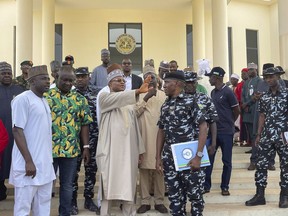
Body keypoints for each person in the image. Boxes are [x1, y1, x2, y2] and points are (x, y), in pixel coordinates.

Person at [96, 63, 149, 216]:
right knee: (108, 187)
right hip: (110, 152)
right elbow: (115, 100)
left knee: (128, 186)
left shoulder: (129, 102)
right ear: (109, 83)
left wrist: (140, 150)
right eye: (118, 80)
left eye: (123, 81)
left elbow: (135, 127)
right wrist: (137, 91)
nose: (122, 82)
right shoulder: (104, 97)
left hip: (128, 153)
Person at [155, 71, 208, 216]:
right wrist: (158, 157)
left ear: (177, 84)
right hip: (170, 159)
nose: (164, 86)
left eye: (167, 83)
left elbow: (203, 127)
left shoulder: (191, 102)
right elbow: (161, 130)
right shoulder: (165, 105)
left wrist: (198, 156)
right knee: (175, 198)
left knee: (195, 197)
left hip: (190, 157)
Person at [45, 65, 93, 216]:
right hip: (48, 149)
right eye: (64, 79)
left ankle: (64, 213)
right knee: (46, 185)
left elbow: (85, 123)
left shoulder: (79, 99)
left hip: (71, 150)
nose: (68, 83)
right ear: (57, 78)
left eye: (71, 80)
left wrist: (85, 146)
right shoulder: (46, 96)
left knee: (67, 185)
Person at [9, 65, 56, 215]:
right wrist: (28, 161)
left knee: (43, 206)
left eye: (48, 78)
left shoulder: (44, 101)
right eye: (44, 78)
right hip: (28, 166)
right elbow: (17, 130)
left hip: (44, 166)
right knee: (23, 208)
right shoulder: (22, 100)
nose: (48, 81)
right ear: (32, 81)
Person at [245, 67, 288, 208]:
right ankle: (260, 195)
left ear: (278, 77)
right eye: (266, 77)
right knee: (261, 165)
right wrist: (258, 134)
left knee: (286, 166)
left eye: (271, 77)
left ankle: (284, 196)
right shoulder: (264, 96)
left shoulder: (286, 94)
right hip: (267, 135)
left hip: (284, 136)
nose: (269, 80)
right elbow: (262, 115)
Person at [135, 66, 168, 214]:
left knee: (159, 169)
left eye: (152, 77)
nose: (150, 79)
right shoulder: (138, 95)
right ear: (144, 80)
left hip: (160, 138)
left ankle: (160, 201)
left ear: (157, 79)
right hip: (143, 137)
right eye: (147, 77)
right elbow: (134, 113)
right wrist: (146, 97)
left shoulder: (164, 95)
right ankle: (145, 201)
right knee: (143, 171)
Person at [204, 67, 240, 196]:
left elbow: (237, 110)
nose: (209, 79)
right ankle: (206, 185)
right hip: (212, 132)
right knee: (208, 159)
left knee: (227, 161)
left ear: (217, 78)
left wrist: (230, 122)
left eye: (211, 77)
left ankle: (225, 186)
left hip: (226, 132)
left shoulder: (228, 92)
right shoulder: (213, 93)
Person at [71, 67, 100, 215]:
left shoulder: (96, 94)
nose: (80, 79)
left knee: (91, 171)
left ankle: (89, 199)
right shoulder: (70, 95)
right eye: (78, 77)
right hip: (74, 140)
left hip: (94, 138)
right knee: (73, 172)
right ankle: (73, 202)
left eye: (83, 76)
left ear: (89, 77)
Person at [0, 61, 24, 201]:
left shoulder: (20, 90)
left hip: (17, 135)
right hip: (1, 135)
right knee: (2, 161)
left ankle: (20, 191)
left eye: (9, 73)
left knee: (17, 162)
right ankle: (1, 190)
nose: (7, 76)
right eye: (3, 73)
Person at [184, 71, 218, 164]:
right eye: (187, 82)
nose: (190, 85)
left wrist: (213, 143)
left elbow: (212, 120)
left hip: (201, 141)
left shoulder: (204, 98)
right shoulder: (177, 99)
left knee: (203, 172)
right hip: (183, 143)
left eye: (192, 82)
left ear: (196, 83)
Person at [241, 63, 261, 149]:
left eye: (251, 69)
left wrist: (247, 104)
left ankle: (256, 154)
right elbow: (243, 95)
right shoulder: (246, 82)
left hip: (254, 110)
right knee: (250, 134)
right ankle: (254, 151)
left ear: (256, 70)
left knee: (256, 133)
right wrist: (244, 104)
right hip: (246, 112)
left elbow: (257, 95)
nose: (249, 71)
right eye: (248, 70)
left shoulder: (259, 81)